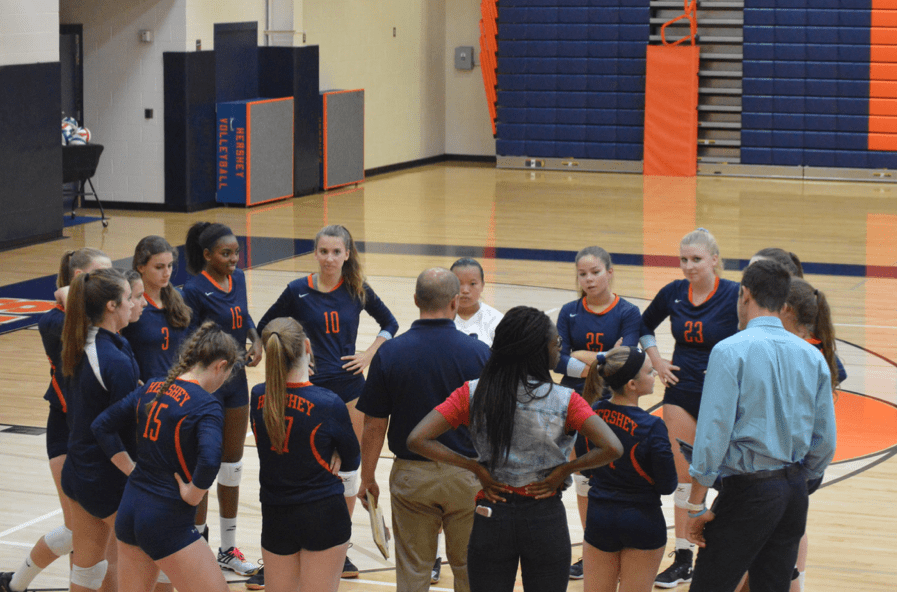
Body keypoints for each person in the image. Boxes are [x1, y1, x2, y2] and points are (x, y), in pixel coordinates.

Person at [407, 305, 624, 592]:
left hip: (492, 514)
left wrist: (475, 467)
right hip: (544, 516)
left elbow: (417, 439)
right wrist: (566, 470)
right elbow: (613, 447)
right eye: (556, 343)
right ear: (536, 350)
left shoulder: (473, 392)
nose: (560, 349)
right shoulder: (566, 400)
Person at [683, 259, 837, 592]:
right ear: (783, 303)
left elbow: (713, 433)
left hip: (749, 490)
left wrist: (695, 504)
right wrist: (795, 480)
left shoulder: (729, 350)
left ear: (744, 294)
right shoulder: (812, 356)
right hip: (794, 491)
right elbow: (825, 440)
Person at [257, 224, 398, 580]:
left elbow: (390, 323)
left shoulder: (356, 289)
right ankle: (292, 542)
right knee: (310, 464)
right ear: (315, 253)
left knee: (348, 469)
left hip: (350, 389)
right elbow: (266, 325)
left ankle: (341, 545)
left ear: (348, 254)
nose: (330, 258)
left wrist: (367, 354)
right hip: (305, 388)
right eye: (324, 251)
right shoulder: (297, 290)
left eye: (337, 252)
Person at [355, 268, 490, 592]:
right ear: (455, 302)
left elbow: (374, 424)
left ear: (416, 300)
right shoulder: (479, 353)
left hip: (411, 477)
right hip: (465, 476)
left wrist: (367, 477)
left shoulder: (390, 353)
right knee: (471, 571)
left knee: (414, 573)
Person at [91, 321, 241, 592]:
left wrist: (131, 470)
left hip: (130, 510)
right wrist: (193, 494)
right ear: (220, 365)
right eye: (227, 374)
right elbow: (209, 460)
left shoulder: (153, 386)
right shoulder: (206, 405)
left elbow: (102, 425)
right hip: (166, 519)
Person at [0, 249, 111, 592]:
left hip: (94, 432)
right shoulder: (54, 321)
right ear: (78, 277)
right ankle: (16, 585)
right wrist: (72, 292)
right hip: (66, 433)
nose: (108, 283)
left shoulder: (101, 316)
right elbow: (76, 319)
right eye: (98, 275)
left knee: (91, 534)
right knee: (81, 532)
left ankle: (14, 584)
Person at [639, 228, 739, 588]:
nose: (688, 266)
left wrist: (732, 366)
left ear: (714, 259)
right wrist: (657, 361)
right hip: (681, 394)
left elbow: (751, 334)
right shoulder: (673, 293)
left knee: (724, 478)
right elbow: (643, 325)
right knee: (686, 478)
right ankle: (683, 557)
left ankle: (718, 550)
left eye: (696, 259)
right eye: (683, 259)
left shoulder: (733, 294)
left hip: (723, 396)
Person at [250, 317, 361, 592]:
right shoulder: (328, 403)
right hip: (322, 514)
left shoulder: (258, 395)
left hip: (275, 514)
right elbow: (351, 459)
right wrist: (334, 449)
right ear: (308, 347)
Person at [555, 246, 641, 579]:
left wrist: (583, 356)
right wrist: (602, 358)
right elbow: (557, 359)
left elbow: (625, 360)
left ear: (609, 272)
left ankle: (617, 549)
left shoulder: (629, 312)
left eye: (594, 272)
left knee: (615, 475)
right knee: (583, 476)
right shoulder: (569, 311)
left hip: (615, 403)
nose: (588, 279)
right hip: (574, 402)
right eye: (582, 274)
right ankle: (592, 548)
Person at [182, 222, 262, 577]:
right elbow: (189, 344)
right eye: (226, 254)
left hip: (237, 382)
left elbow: (242, 315)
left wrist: (255, 338)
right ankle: (196, 543)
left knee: (232, 465)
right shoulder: (193, 290)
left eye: (236, 253)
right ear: (207, 255)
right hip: (207, 386)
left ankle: (227, 548)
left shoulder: (239, 278)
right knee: (205, 463)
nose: (233, 259)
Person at [59, 267, 137, 592]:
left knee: (89, 569)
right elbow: (120, 429)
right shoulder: (113, 360)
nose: (134, 304)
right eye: (129, 297)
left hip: (78, 472)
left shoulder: (82, 342)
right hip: (105, 480)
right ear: (111, 306)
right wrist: (136, 472)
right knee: (155, 557)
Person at [577, 348, 677, 592]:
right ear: (632, 384)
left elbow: (585, 465)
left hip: (600, 517)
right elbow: (668, 485)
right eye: (649, 371)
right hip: (642, 521)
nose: (654, 374)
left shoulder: (592, 413)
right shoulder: (652, 426)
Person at [122, 236, 192, 383]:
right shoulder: (131, 305)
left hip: (174, 389)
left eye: (170, 265)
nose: (167, 273)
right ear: (141, 267)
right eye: (159, 267)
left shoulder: (179, 297)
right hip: (143, 390)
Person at [450, 257, 503, 347]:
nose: (465, 290)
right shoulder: (440, 317)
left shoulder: (496, 320)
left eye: (473, 284)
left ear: (482, 285)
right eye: (459, 283)